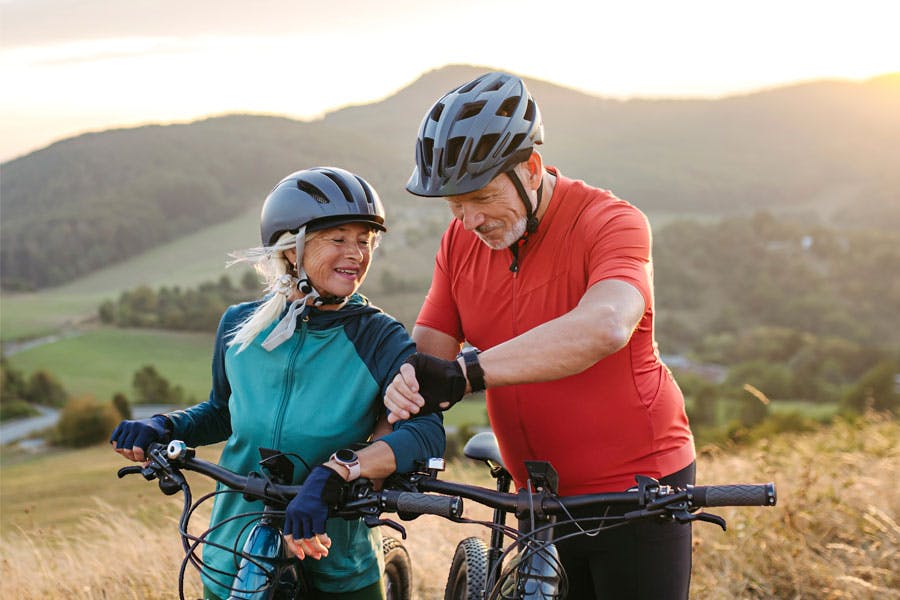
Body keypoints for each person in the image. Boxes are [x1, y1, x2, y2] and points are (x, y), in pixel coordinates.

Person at [384, 72, 696, 598]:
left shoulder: (611, 222)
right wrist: (400, 401)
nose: (470, 220)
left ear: (530, 169)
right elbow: (428, 359)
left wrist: (469, 372)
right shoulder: (459, 242)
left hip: (638, 489)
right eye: (455, 204)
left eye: (482, 196)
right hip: (537, 498)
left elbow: (607, 324)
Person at [111, 166, 445, 600]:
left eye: (364, 241)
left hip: (338, 554)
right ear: (291, 249)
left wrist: (338, 473)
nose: (356, 254)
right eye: (338, 239)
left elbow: (425, 433)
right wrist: (165, 426)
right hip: (234, 548)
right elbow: (222, 413)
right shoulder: (240, 325)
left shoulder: (378, 336)